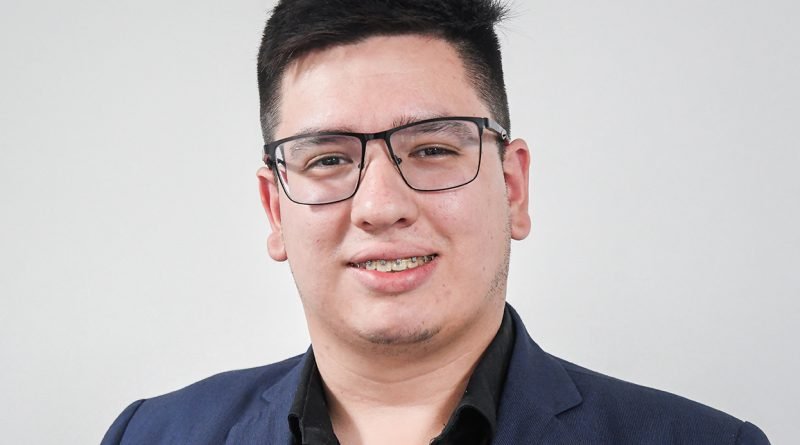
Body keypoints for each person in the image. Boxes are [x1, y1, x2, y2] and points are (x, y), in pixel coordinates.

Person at [102, 1, 770, 444]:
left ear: (513, 188)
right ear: (276, 208)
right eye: (329, 159)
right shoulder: (151, 436)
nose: (380, 205)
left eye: (431, 150)